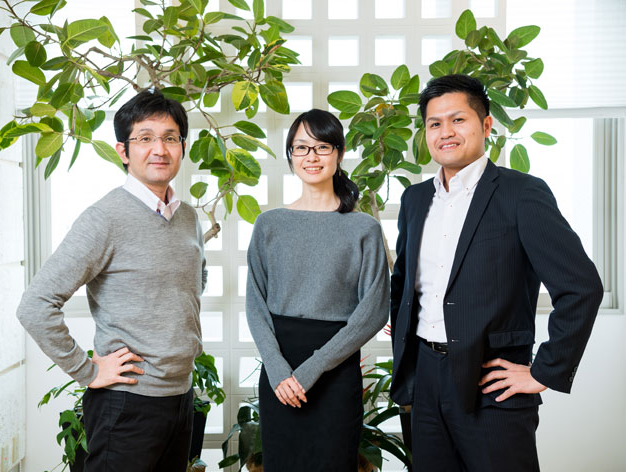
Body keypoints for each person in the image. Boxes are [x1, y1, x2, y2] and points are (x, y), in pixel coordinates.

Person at [389, 74, 603, 471]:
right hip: (425, 379)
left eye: (458, 120)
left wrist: (544, 371)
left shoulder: (521, 193)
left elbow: (581, 286)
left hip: (491, 381)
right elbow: (405, 279)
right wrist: (400, 321)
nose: (445, 132)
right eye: (434, 123)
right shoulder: (414, 199)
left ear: (486, 125)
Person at [17, 89, 207, 472]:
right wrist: (86, 371)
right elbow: (35, 305)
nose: (160, 149)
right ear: (123, 151)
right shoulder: (104, 219)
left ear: (182, 147)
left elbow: (193, 283)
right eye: (145, 138)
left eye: (170, 138)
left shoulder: (188, 217)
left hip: (180, 397)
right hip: (127, 404)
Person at [245, 109, 390, 471]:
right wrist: (277, 369)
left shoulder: (364, 228)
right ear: (290, 155)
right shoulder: (269, 224)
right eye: (301, 147)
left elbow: (373, 311)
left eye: (322, 147)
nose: (311, 157)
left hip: (336, 369)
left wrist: (313, 368)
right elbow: (255, 303)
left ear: (339, 154)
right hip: (280, 370)